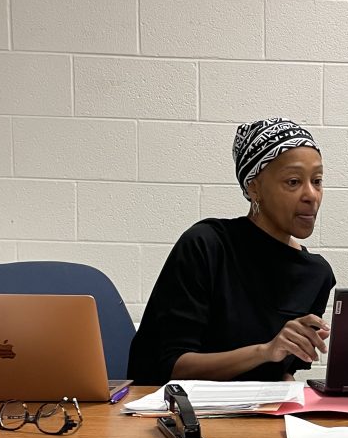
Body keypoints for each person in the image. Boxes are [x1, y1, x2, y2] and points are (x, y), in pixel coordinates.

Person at [127, 117, 336, 385]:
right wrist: (265, 351)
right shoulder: (206, 245)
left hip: (259, 417)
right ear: (254, 188)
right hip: (181, 413)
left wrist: (294, 395)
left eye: (317, 181)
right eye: (293, 182)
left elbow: (282, 370)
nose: (311, 195)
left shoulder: (316, 274)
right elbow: (169, 365)